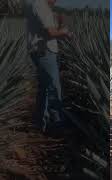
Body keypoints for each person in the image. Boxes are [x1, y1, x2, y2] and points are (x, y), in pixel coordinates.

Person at [24, 0, 73, 133]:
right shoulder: (40, 5)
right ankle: (57, 124)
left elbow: (48, 32)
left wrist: (61, 23)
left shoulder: (40, 6)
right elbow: (52, 33)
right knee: (53, 87)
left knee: (45, 87)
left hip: (42, 51)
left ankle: (42, 123)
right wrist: (65, 31)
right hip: (44, 52)